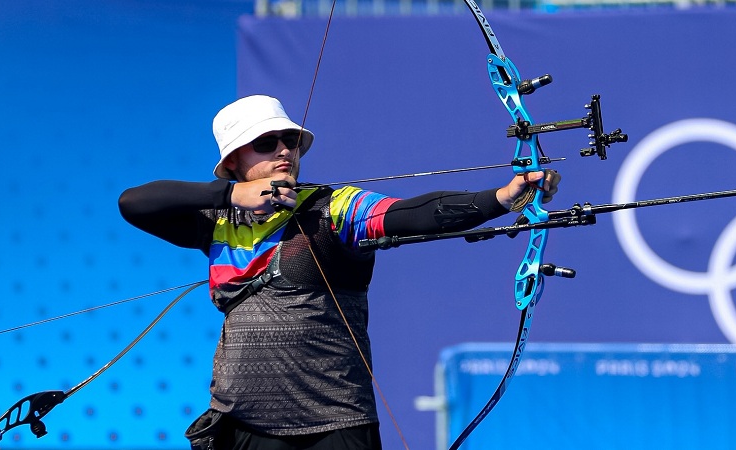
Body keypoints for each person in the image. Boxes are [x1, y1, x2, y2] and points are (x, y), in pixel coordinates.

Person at [118, 94, 560, 450]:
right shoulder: (216, 221)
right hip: (243, 422)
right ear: (233, 160)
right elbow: (133, 202)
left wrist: (500, 197)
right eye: (266, 143)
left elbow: (410, 214)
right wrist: (235, 194)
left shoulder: (334, 208)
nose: (284, 151)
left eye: (289, 140)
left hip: (336, 425)